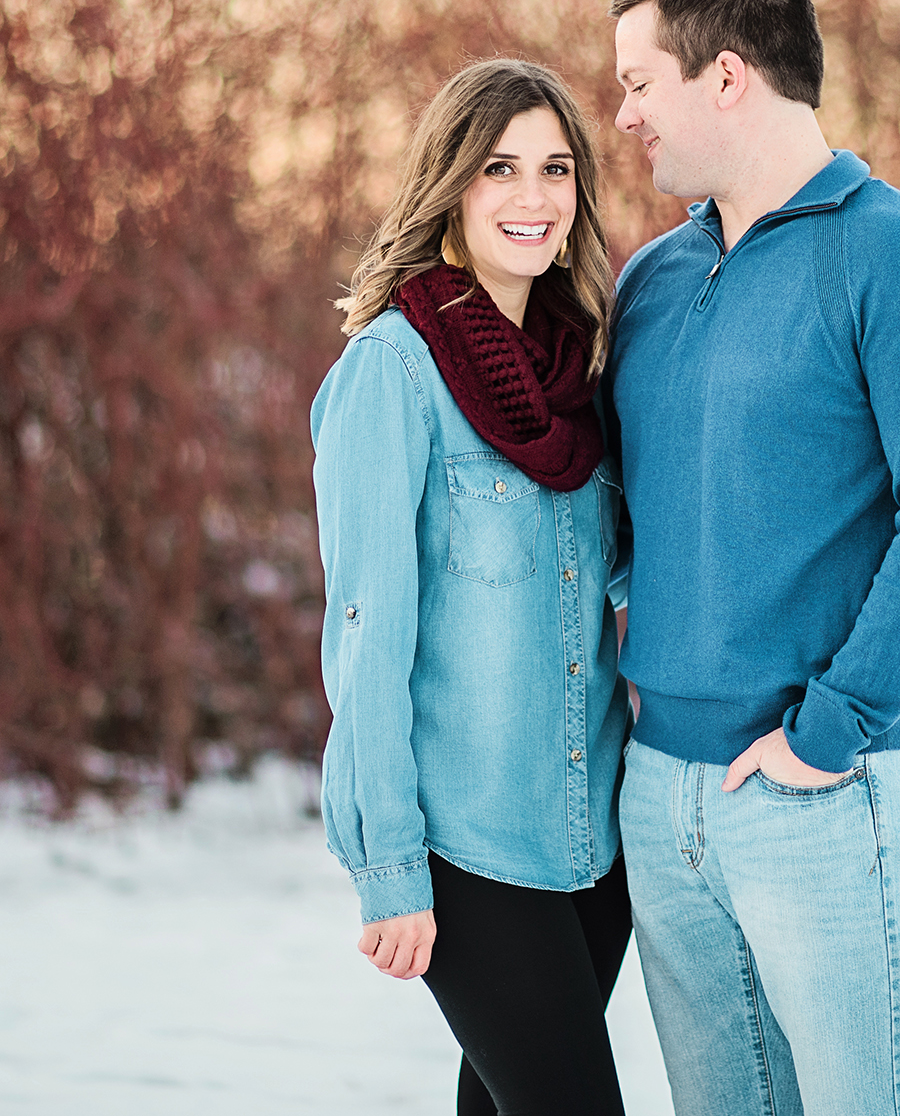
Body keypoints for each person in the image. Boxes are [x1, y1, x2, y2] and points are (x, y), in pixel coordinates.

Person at [600, 0, 900, 1115]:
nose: (621, 115)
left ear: (727, 76)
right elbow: (628, 512)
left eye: (637, 81)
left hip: (830, 788)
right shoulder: (652, 278)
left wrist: (831, 732)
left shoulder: (893, 252)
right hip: (664, 794)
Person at [311, 58, 634, 1115]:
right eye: (499, 168)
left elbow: (614, 582)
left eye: (555, 168)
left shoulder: (583, 370)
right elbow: (367, 632)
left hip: (594, 843)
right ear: (450, 185)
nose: (533, 198)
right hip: (471, 849)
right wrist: (388, 864)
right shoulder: (392, 372)